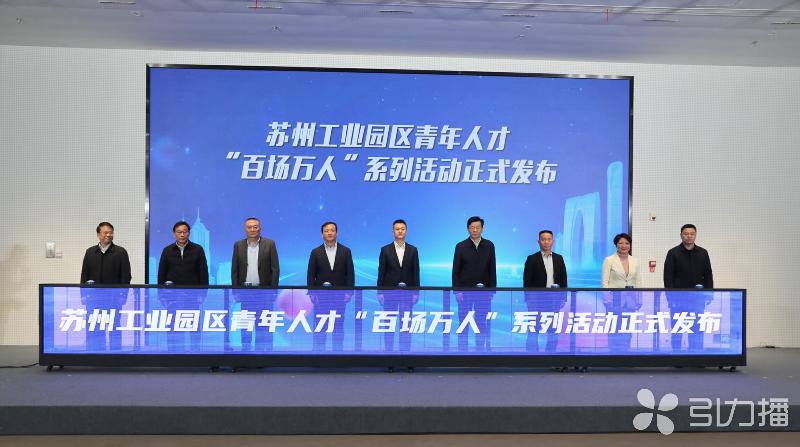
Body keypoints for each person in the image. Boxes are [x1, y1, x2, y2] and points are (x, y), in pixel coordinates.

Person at [80, 222, 132, 351]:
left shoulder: (120, 252)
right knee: (95, 327)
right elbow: (84, 275)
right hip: (94, 299)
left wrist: (123, 296)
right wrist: (83, 295)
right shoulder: (90, 252)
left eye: (111, 232)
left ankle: (115, 354)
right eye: (105, 232)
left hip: (114, 298)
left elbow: (126, 276)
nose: (108, 235)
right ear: (98, 234)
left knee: (114, 326)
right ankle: (96, 353)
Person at [157, 221, 209, 352]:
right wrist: (162, 296)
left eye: (184, 232)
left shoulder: (198, 249)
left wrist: (202, 295)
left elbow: (203, 273)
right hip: (172, 297)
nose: (182, 235)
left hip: (193, 296)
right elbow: (161, 274)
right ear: (174, 234)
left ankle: (195, 353)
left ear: (189, 233)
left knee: (193, 326)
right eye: (179, 232)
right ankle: (173, 353)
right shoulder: (167, 250)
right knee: (173, 326)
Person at [231, 217, 280, 351]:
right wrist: (235, 291)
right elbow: (234, 270)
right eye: (249, 227)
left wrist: (273, 291)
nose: (252, 229)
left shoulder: (270, 244)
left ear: (260, 228)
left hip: (264, 292)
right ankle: (246, 351)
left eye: (255, 227)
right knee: (246, 324)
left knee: (263, 324)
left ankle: (262, 353)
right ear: (245, 229)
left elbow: (275, 269)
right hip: (245, 292)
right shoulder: (238, 245)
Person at [664, 224, 714, 352]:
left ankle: (697, 355)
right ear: (681, 235)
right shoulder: (673, 253)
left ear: (695, 235)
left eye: (692, 234)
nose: (689, 236)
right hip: (678, 298)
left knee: (697, 328)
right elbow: (668, 277)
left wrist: (709, 294)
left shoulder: (703, 253)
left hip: (698, 298)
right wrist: (670, 297)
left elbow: (708, 274)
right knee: (677, 328)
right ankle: (676, 356)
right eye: (686, 234)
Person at [307, 221, 355, 351]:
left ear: (337, 233)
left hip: (340, 295)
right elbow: (311, 274)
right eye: (326, 231)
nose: (329, 233)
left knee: (338, 325)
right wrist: (311, 293)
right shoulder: (315, 252)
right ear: (322, 234)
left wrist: (349, 292)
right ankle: (318, 353)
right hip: (320, 297)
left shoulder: (346, 251)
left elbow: (350, 273)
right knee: (320, 325)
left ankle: (338, 353)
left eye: (332, 230)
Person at [452, 216, 496, 352]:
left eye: (478, 227)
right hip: (465, 292)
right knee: (464, 322)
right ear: (468, 229)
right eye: (472, 227)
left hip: (484, 293)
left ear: (482, 229)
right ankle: (462, 352)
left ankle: (480, 352)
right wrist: (457, 291)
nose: (475, 230)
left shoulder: (489, 245)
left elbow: (492, 269)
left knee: (481, 322)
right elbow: (456, 270)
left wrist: (492, 290)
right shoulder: (460, 246)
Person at [377, 219, 420, 352]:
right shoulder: (385, 250)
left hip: (407, 293)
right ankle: (389, 354)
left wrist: (416, 292)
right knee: (389, 326)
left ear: (406, 231)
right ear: (393, 232)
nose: (400, 231)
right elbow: (381, 272)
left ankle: (405, 354)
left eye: (402, 229)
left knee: (406, 325)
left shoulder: (413, 250)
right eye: (397, 229)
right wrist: (380, 292)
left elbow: (416, 272)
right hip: (389, 293)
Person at [522, 230, 568, 353]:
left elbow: (563, 279)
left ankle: (551, 355)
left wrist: (564, 298)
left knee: (553, 329)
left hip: (554, 299)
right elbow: (527, 281)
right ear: (539, 242)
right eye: (543, 239)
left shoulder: (559, 258)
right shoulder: (532, 259)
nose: (546, 242)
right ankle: (532, 354)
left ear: (552, 241)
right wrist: (528, 299)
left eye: (549, 239)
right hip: (536, 299)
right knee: (534, 328)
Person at [601, 233, 642, 353]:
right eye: (621, 243)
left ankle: (625, 352)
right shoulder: (609, 260)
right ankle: (613, 353)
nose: (624, 246)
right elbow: (605, 282)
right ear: (616, 245)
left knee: (628, 327)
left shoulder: (635, 261)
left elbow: (638, 281)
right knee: (614, 327)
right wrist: (606, 299)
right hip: (614, 300)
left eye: (627, 243)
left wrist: (639, 300)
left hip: (630, 300)